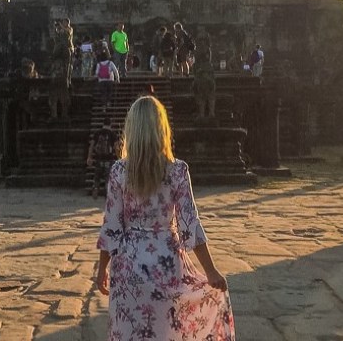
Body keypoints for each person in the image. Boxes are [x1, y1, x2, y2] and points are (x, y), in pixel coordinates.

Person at [96, 96, 235, 340]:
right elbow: (189, 224)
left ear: (132, 130)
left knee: (129, 333)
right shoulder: (177, 170)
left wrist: (101, 269)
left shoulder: (119, 171)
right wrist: (210, 271)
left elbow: (112, 227)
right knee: (165, 331)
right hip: (167, 262)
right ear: (162, 129)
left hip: (128, 265)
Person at [87, 117, 121, 198]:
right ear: (110, 124)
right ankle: (107, 190)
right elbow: (116, 147)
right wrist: (119, 157)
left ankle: (95, 187)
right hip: (109, 159)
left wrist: (89, 157)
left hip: (98, 158)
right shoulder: (112, 134)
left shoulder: (97, 133)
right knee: (108, 177)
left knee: (97, 177)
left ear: (103, 123)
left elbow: (92, 145)